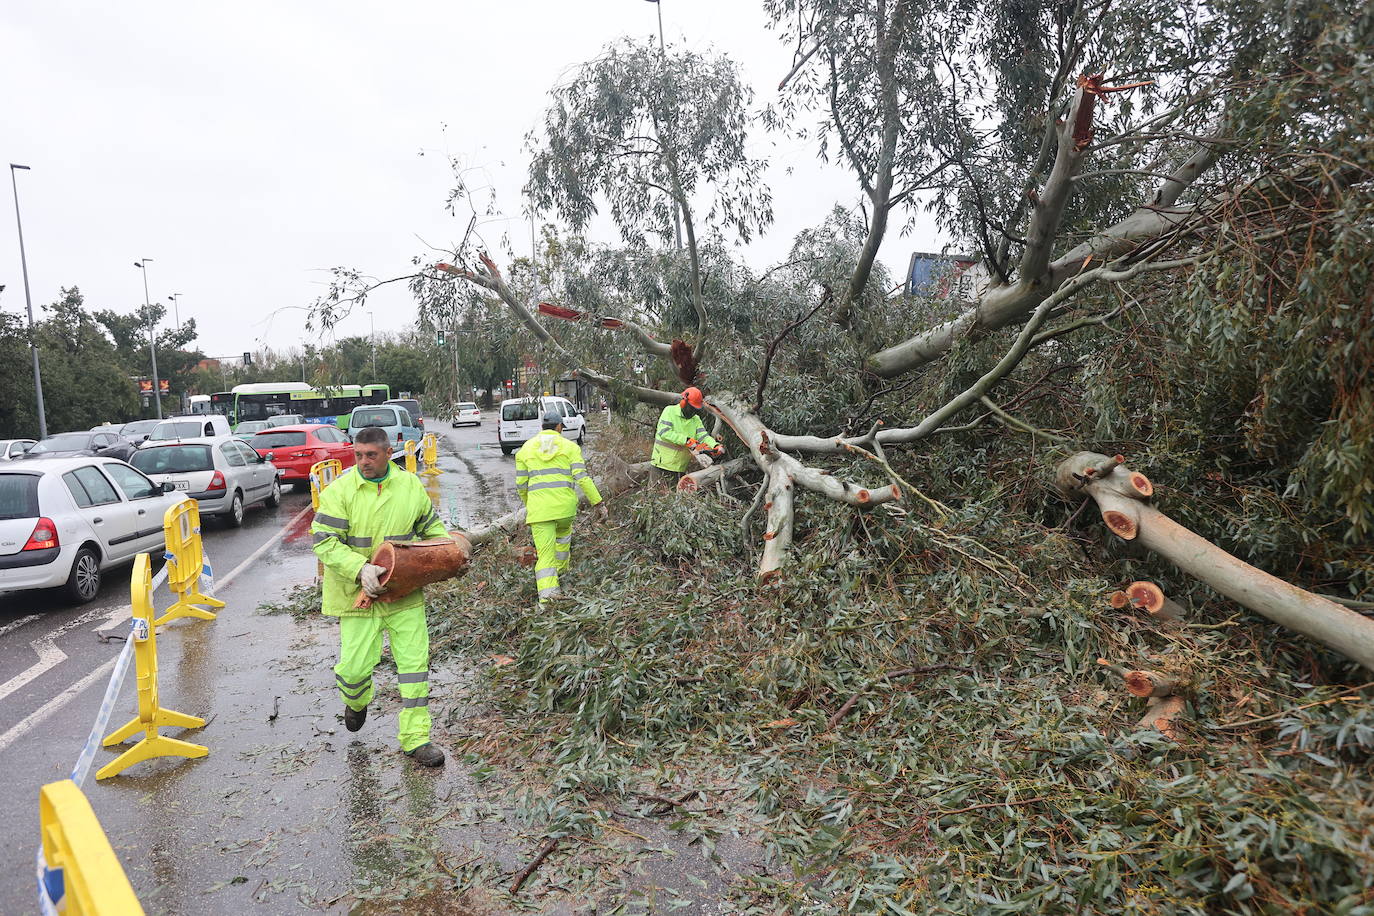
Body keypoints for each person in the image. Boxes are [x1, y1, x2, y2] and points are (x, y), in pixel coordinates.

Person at [310, 426, 451, 767]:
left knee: (414, 667)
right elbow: (324, 540)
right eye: (358, 455)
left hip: (403, 594)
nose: (363, 462)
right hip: (356, 596)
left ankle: (417, 739)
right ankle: (356, 702)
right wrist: (360, 569)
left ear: (390, 453)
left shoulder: (410, 487)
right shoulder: (342, 490)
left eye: (371, 455)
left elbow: (433, 532)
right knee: (354, 670)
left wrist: (447, 555)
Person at [515, 409, 606, 602]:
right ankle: (562, 575)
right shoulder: (570, 447)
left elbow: (521, 485)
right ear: (559, 427)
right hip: (565, 511)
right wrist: (598, 503)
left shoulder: (525, 450)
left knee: (546, 557)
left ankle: (548, 601)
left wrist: (530, 504)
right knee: (562, 544)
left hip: (540, 512)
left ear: (542, 427)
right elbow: (583, 479)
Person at [651, 387, 724, 481]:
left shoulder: (695, 419)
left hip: (680, 468)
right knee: (657, 494)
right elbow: (664, 432)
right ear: (683, 402)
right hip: (661, 465)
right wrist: (686, 440)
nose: (693, 412)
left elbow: (703, 436)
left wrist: (715, 445)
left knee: (676, 494)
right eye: (691, 408)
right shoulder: (669, 411)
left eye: (695, 410)